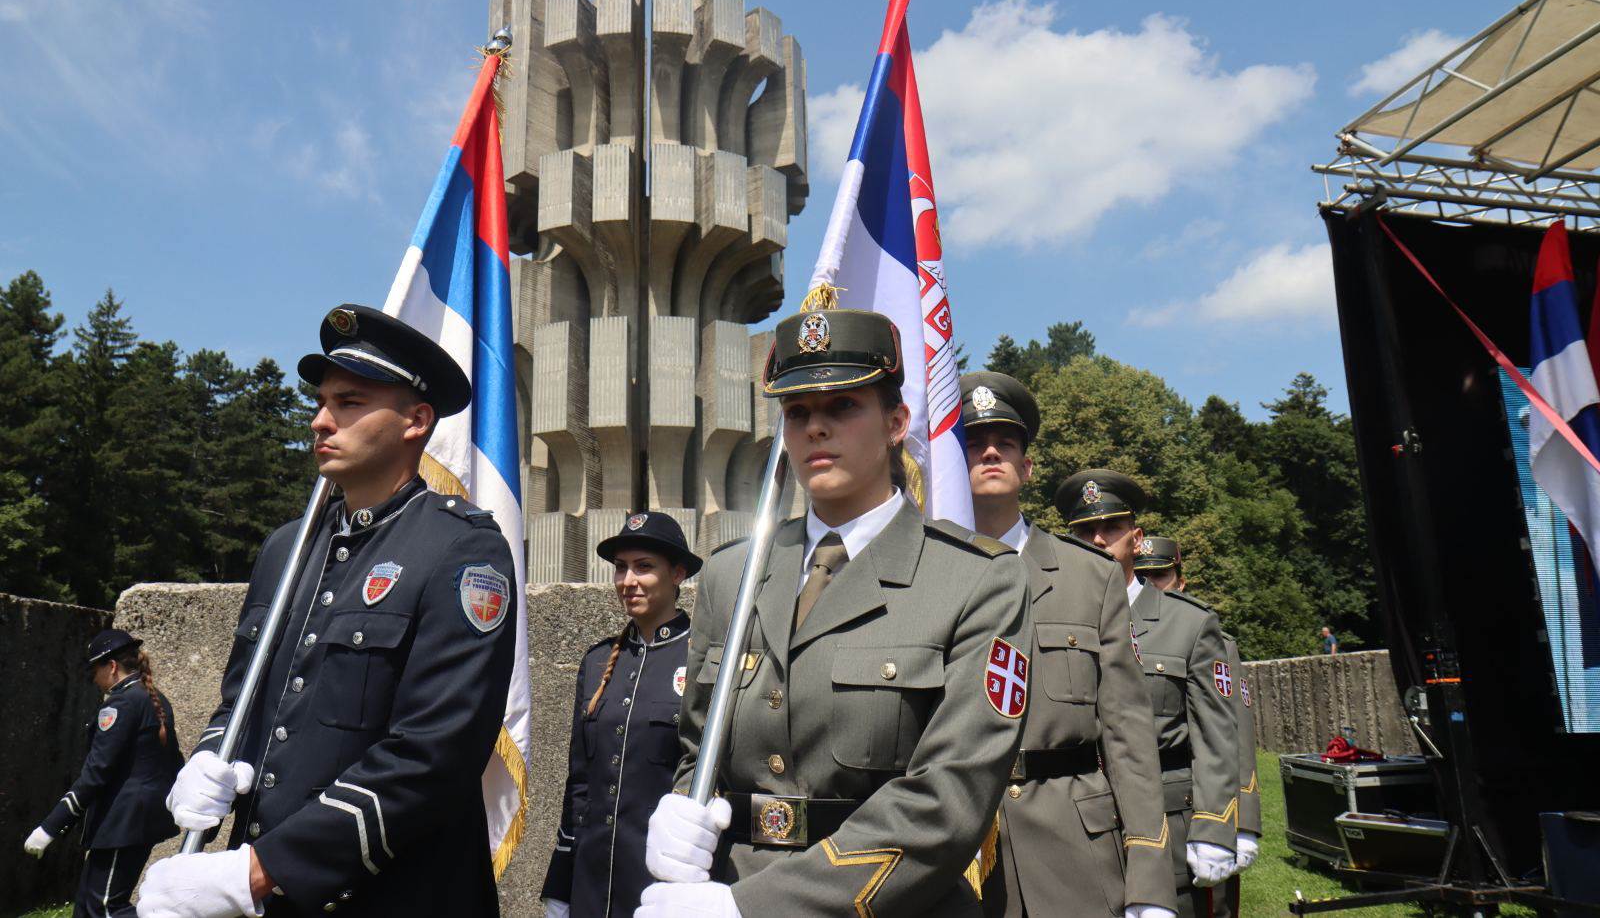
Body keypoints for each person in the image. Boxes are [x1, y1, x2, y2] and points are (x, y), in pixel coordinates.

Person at [638, 309, 1033, 918]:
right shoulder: (732, 574)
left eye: (843, 406)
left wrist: (754, 909)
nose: (815, 428)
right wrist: (682, 813)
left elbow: (949, 799)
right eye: (797, 413)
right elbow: (699, 744)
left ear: (897, 422)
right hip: (724, 887)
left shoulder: (976, 580)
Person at [137, 304, 518, 918]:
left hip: (396, 896)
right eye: (320, 402)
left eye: (349, 402)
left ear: (416, 420)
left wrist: (261, 870)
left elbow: (435, 751)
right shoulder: (288, 548)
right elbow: (245, 696)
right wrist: (212, 755)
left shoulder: (462, 548)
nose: (320, 421)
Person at [958, 372, 1175, 918]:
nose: (989, 453)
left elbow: (1127, 732)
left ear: (1027, 467)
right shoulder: (915, 577)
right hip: (949, 852)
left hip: (1071, 850)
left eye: (1005, 443)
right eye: (972, 442)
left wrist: (1150, 877)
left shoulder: (1090, 577)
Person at [541, 511, 702, 918]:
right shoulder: (597, 662)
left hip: (664, 887)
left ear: (677, 573)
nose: (628, 581)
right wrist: (561, 882)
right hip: (592, 886)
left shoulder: (703, 663)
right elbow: (579, 783)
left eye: (644, 567)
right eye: (620, 568)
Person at [1107, 529, 1238, 918]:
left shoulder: (1191, 623)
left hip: (1170, 819)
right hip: (1091, 821)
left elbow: (1221, 736)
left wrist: (1220, 825)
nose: (1096, 540)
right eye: (1082, 531)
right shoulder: (1067, 618)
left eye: (1161, 574)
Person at [23, 628, 181, 918]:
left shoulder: (121, 705)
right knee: (85, 908)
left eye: (94, 670)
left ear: (110, 666)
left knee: (105, 909)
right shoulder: (154, 698)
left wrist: (51, 826)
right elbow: (173, 761)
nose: (94, 679)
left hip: (123, 823)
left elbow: (96, 772)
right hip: (135, 820)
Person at [1139, 540, 1259, 917]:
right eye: (1143, 575)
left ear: (1181, 580)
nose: (1151, 584)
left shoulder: (1211, 639)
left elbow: (1232, 733)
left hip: (1190, 801)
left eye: (1160, 575)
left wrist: (1241, 822)